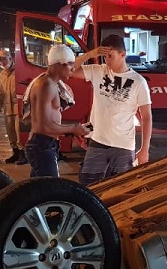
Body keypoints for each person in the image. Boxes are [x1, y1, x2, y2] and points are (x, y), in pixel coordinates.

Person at [71, 33, 152, 185]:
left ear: (123, 55)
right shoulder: (98, 71)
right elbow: (69, 70)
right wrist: (90, 54)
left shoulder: (138, 82)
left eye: (110, 56)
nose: (106, 60)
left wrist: (144, 149)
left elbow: (147, 117)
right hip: (97, 141)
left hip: (123, 146)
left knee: (121, 188)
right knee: (88, 186)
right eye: (104, 56)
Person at [24, 44, 91, 177]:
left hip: (44, 144)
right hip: (42, 145)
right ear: (61, 64)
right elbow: (45, 126)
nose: (73, 69)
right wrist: (73, 128)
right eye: (71, 65)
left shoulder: (49, 82)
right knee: (51, 191)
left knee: (39, 191)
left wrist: (71, 131)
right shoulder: (47, 85)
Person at [0, 47, 26, 164]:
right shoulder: (2, 74)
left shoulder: (18, 72)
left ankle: (22, 155)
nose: (2, 62)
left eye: (4, 59)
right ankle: (15, 153)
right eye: (0, 60)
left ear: (10, 58)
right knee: (11, 132)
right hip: (7, 108)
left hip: (17, 107)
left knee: (19, 133)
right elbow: (2, 91)